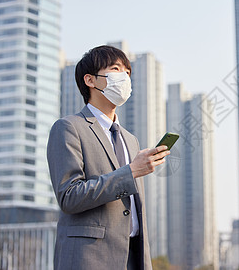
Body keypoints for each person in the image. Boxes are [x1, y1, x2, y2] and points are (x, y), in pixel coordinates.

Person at [47, 45, 169, 270]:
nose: (124, 77)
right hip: (89, 259)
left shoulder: (130, 140)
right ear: (90, 80)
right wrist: (130, 172)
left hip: (133, 257)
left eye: (128, 72)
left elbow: (134, 212)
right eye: (116, 69)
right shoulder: (68, 128)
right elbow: (69, 197)